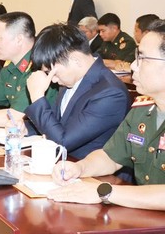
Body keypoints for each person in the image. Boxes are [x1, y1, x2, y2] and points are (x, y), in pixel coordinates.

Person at [47, 20, 165, 210]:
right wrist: (80, 168)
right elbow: (111, 156)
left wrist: (104, 192)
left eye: (143, 58)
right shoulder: (143, 110)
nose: (133, 66)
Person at [23, 24, 130, 159]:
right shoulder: (71, 79)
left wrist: (37, 96)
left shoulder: (110, 93)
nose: (53, 80)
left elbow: (62, 142)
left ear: (75, 60)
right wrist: (27, 127)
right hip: (65, 165)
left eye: (52, 72)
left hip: (92, 173)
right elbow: (57, 123)